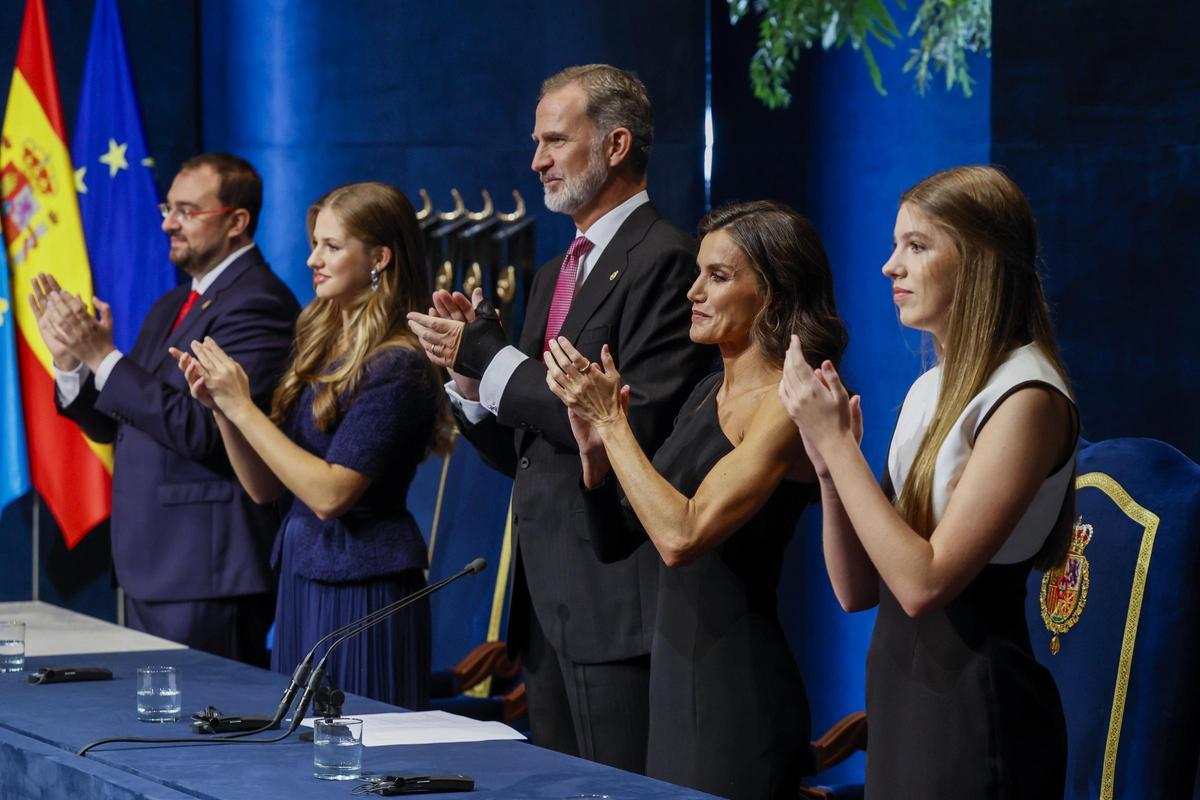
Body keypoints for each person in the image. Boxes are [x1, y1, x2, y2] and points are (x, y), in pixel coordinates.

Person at [407, 64, 713, 771]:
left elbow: (630, 423)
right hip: (546, 604)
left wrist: (491, 354)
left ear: (614, 145)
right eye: (536, 142)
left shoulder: (667, 261)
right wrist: (468, 380)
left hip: (614, 601)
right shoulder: (554, 271)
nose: (536, 160)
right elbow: (534, 446)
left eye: (553, 140)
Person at [779, 165, 1074, 798]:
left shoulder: (1027, 396)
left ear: (980, 261)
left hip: (978, 710)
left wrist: (837, 445)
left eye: (916, 246)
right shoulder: (926, 389)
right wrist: (831, 470)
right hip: (902, 697)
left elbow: (923, 583)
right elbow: (859, 590)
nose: (890, 266)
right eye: (894, 245)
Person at [543, 201, 846, 800]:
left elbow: (683, 536)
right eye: (698, 273)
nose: (693, 292)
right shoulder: (709, 390)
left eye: (719, 276)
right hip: (674, 676)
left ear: (775, 296)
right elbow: (621, 537)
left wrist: (614, 423)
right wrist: (596, 455)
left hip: (738, 689)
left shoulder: (789, 404)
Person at [173, 182, 448, 708]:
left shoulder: (399, 363)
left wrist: (244, 406)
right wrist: (222, 410)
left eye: (331, 246)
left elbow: (330, 495)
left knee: (361, 755)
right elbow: (263, 488)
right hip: (303, 577)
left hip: (364, 588)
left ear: (379, 258)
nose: (312, 259)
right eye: (314, 244)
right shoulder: (320, 342)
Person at [30, 153, 297, 666]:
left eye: (187, 211)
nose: (168, 223)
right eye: (167, 208)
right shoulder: (170, 305)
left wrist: (102, 356)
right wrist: (73, 365)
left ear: (237, 221)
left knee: (200, 737)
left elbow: (208, 432)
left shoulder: (258, 303)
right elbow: (117, 425)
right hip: (154, 565)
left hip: (206, 570)